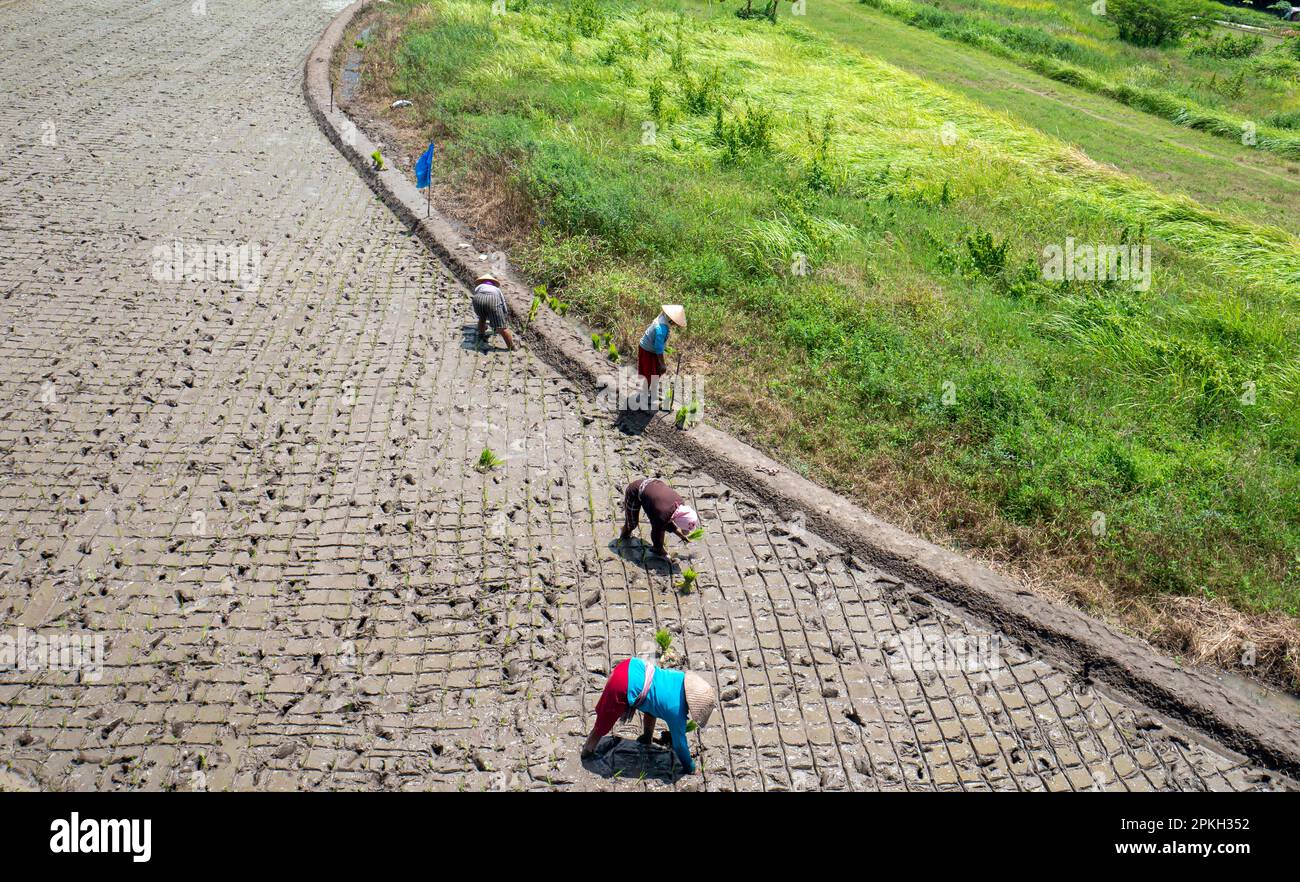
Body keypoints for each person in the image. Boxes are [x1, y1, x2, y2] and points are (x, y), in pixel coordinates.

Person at [581, 657, 716, 774]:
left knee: (651, 704)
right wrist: (691, 768)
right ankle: (587, 751)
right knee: (604, 723)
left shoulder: (679, 678)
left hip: (632, 666)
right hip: (623, 685)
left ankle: (647, 737)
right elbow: (679, 745)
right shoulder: (677, 711)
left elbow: (654, 702)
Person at [619, 477, 698, 557]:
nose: (686, 532)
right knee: (632, 524)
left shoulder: (680, 503)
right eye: (684, 529)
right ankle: (624, 534)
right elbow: (657, 534)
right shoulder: (662, 516)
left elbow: (667, 519)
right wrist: (660, 550)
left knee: (661, 522)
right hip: (634, 491)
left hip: (652, 484)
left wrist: (681, 535)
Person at [637, 304, 685, 390]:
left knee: (653, 372)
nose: (675, 325)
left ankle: (650, 390)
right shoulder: (661, 329)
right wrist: (662, 364)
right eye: (674, 322)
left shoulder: (663, 317)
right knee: (650, 373)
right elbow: (658, 347)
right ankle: (642, 394)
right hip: (647, 350)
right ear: (671, 320)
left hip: (649, 348)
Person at [470, 272, 516, 351]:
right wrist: (504, 314)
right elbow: (502, 302)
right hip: (492, 299)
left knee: (482, 318)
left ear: (483, 281)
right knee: (501, 327)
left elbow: (476, 296)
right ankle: (512, 347)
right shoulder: (496, 289)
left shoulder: (479, 286)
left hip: (477, 299)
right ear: (492, 283)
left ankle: (481, 334)